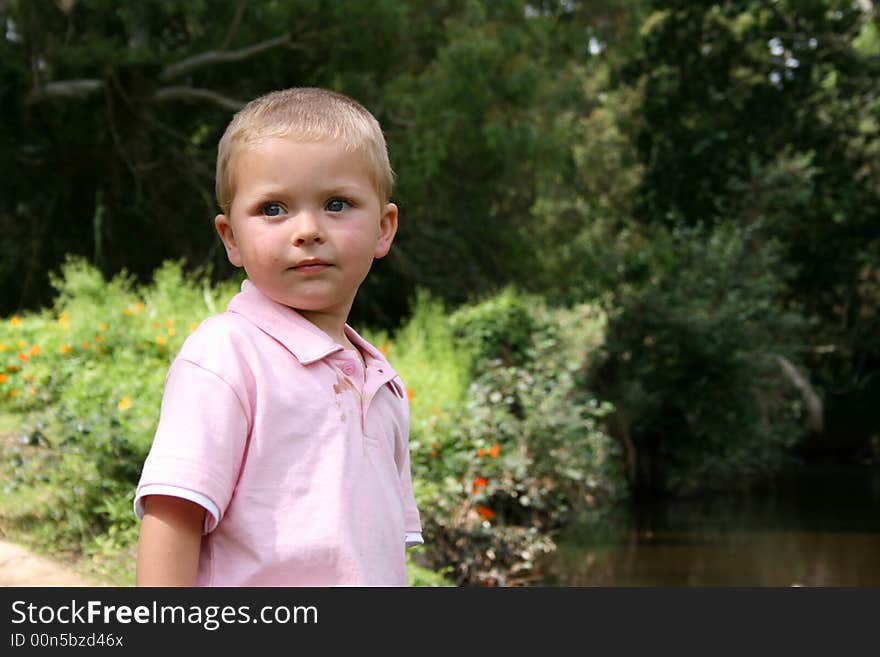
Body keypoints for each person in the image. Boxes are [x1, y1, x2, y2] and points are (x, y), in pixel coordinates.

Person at [134, 87, 423, 586]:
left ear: (384, 227)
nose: (307, 230)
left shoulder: (383, 386)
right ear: (231, 238)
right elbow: (173, 517)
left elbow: (376, 555)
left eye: (337, 204)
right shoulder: (228, 355)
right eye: (273, 209)